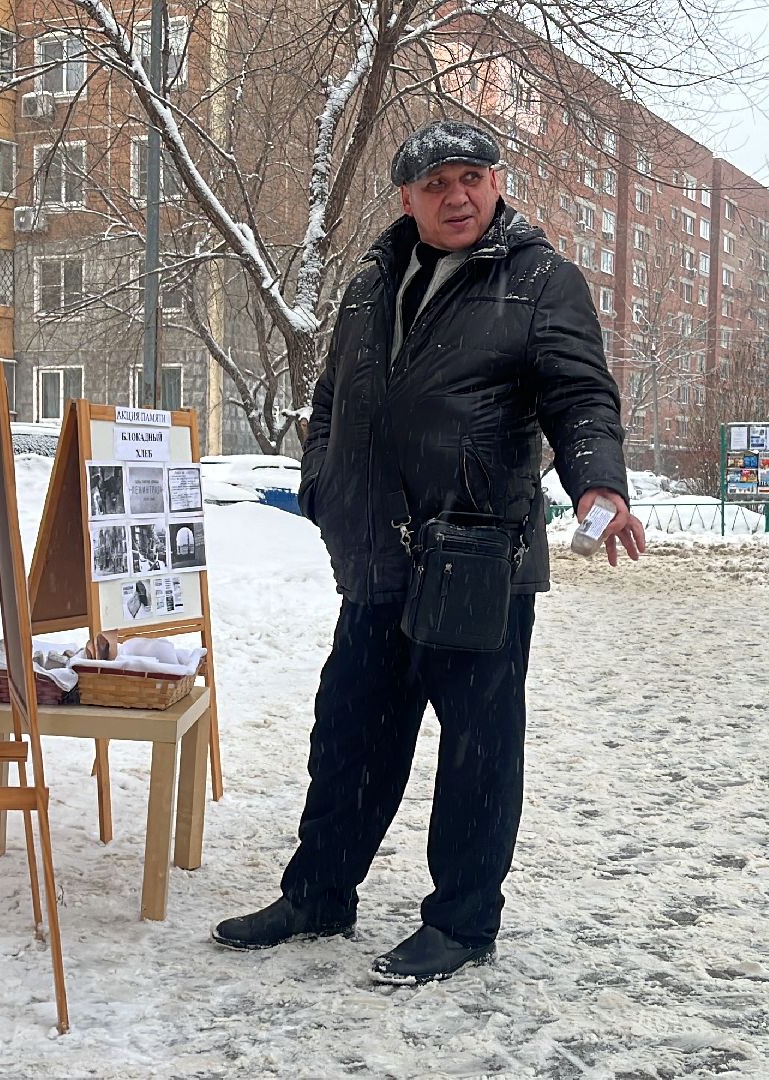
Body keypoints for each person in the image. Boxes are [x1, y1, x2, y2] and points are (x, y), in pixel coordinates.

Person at [212, 120, 647, 984]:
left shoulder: (539, 281)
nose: (458, 196)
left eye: (473, 178)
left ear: (494, 183)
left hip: (473, 558)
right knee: (349, 735)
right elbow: (332, 399)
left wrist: (598, 479)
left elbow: (579, 393)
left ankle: (461, 922)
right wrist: (323, 487)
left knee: (477, 749)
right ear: (406, 198)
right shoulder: (372, 283)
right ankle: (320, 893)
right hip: (376, 554)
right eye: (437, 183)